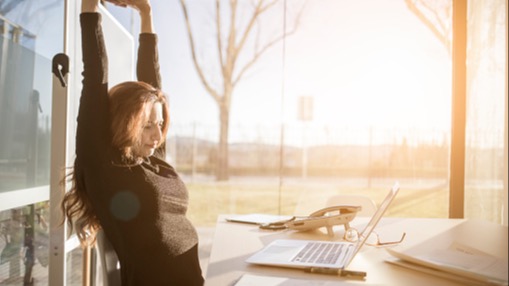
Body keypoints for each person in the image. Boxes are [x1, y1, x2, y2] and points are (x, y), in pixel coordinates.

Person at [60, 0, 204, 284]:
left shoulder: (152, 157)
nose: (157, 135)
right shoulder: (106, 165)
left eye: (161, 125)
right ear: (127, 123)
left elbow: (152, 81)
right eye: (148, 126)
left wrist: (146, 12)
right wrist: (89, 8)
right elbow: (94, 78)